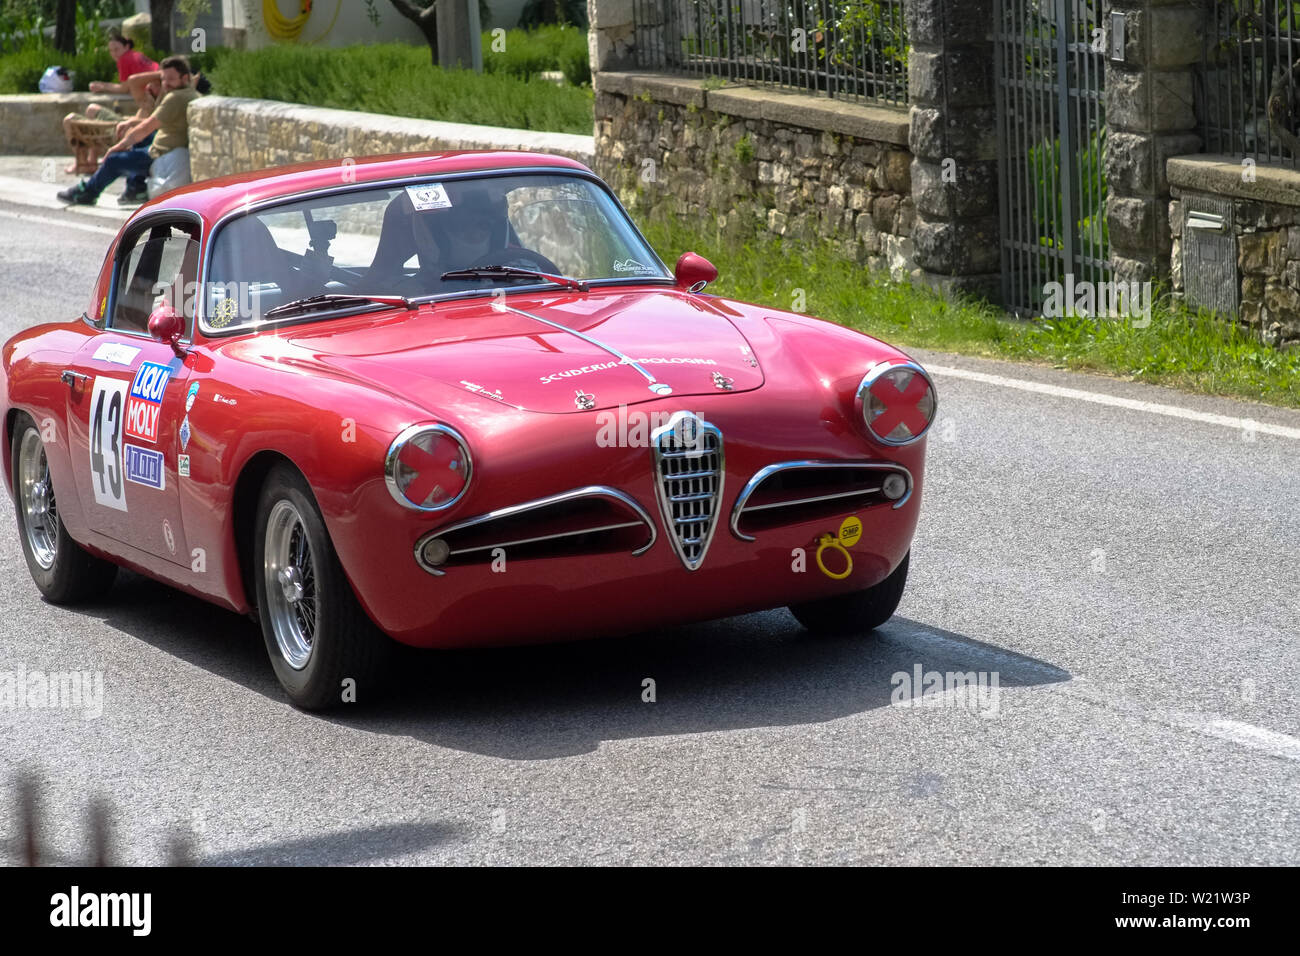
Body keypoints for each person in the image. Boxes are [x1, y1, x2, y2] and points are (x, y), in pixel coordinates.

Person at [58, 55, 199, 208]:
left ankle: (88, 193)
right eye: (163, 79)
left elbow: (146, 127)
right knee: (141, 139)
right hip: (166, 148)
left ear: (185, 78)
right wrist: (132, 125)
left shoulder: (175, 98)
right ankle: (135, 189)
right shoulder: (191, 93)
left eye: (171, 79)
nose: (166, 84)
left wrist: (118, 147)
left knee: (114, 161)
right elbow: (152, 125)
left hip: (160, 155)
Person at [61, 29, 158, 175]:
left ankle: (83, 164)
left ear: (126, 47)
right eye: (111, 50)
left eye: (117, 49)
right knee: (92, 110)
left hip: (128, 130)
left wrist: (102, 86)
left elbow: (125, 87)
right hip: (133, 125)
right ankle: (91, 161)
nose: (114, 54)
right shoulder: (137, 59)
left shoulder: (127, 59)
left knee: (70, 120)